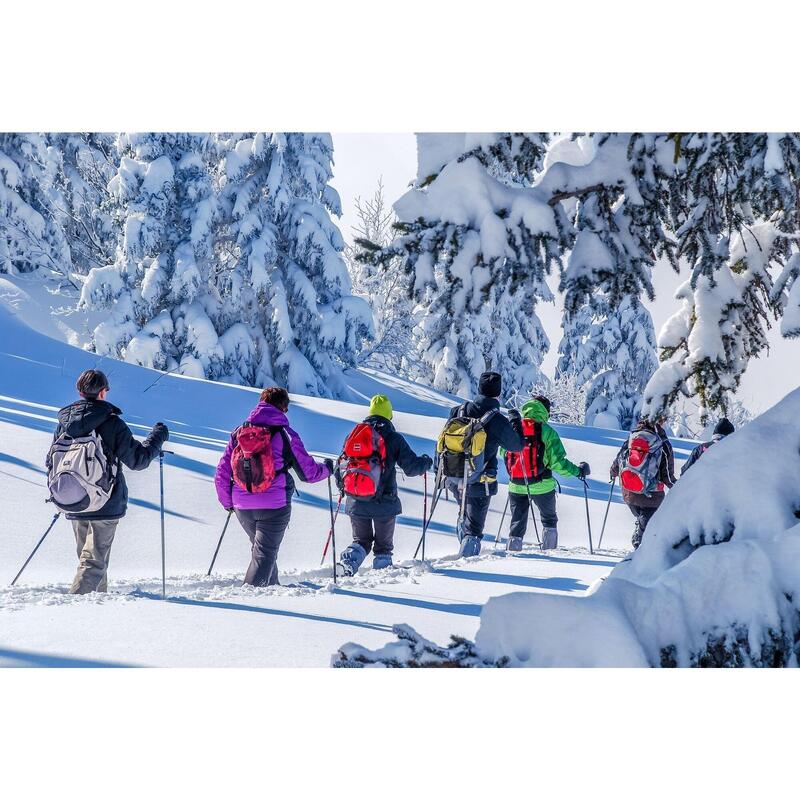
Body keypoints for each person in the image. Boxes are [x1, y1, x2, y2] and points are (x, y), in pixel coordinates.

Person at [47, 369, 169, 594]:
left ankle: (96, 605)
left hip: (74, 498)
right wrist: (158, 437)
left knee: (90, 559)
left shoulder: (64, 424)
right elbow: (138, 460)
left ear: (79, 391)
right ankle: (76, 609)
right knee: (94, 561)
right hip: (106, 501)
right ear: (103, 392)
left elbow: (52, 460)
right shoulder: (111, 423)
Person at [214, 387, 331, 587]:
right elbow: (308, 473)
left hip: (242, 504)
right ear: (284, 407)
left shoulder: (239, 433)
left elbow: (222, 472)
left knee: (263, 551)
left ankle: (272, 591)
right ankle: (249, 599)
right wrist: (328, 469)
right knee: (264, 554)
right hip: (274, 506)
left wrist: (228, 502)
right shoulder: (285, 434)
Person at [336, 395, 432, 576]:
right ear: (389, 414)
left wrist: (345, 490)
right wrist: (426, 462)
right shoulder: (394, 438)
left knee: (361, 540)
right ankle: (381, 578)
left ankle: (348, 563)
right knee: (383, 548)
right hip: (385, 503)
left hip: (356, 500)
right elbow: (411, 468)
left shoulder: (354, 434)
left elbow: (340, 466)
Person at [444, 371, 523, 558]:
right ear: (498, 393)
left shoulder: (458, 410)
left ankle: (463, 538)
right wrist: (515, 422)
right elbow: (517, 446)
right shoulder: (497, 420)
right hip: (480, 481)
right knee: (474, 530)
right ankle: (464, 570)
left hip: (454, 476)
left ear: (478, 389)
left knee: (465, 516)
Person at [501, 396, 590, 552]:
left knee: (517, 523)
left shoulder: (513, 428)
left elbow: (503, 451)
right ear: (545, 411)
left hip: (516, 484)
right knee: (549, 520)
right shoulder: (547, 431)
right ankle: (550, 555)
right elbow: (558, 463)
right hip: (542, 485)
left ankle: (512, 553)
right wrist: (578, 471)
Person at [610, 417, 676, 549]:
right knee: (650, 518)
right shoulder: (662, 442)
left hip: (628, 491)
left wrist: (613, 472)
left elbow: (619, 459)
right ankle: (641, 540)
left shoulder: (632, 437)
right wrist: (677, 487)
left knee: (643, 517)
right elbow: (667, 475)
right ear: (660, 421)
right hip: (652, 496)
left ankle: (641, 529)